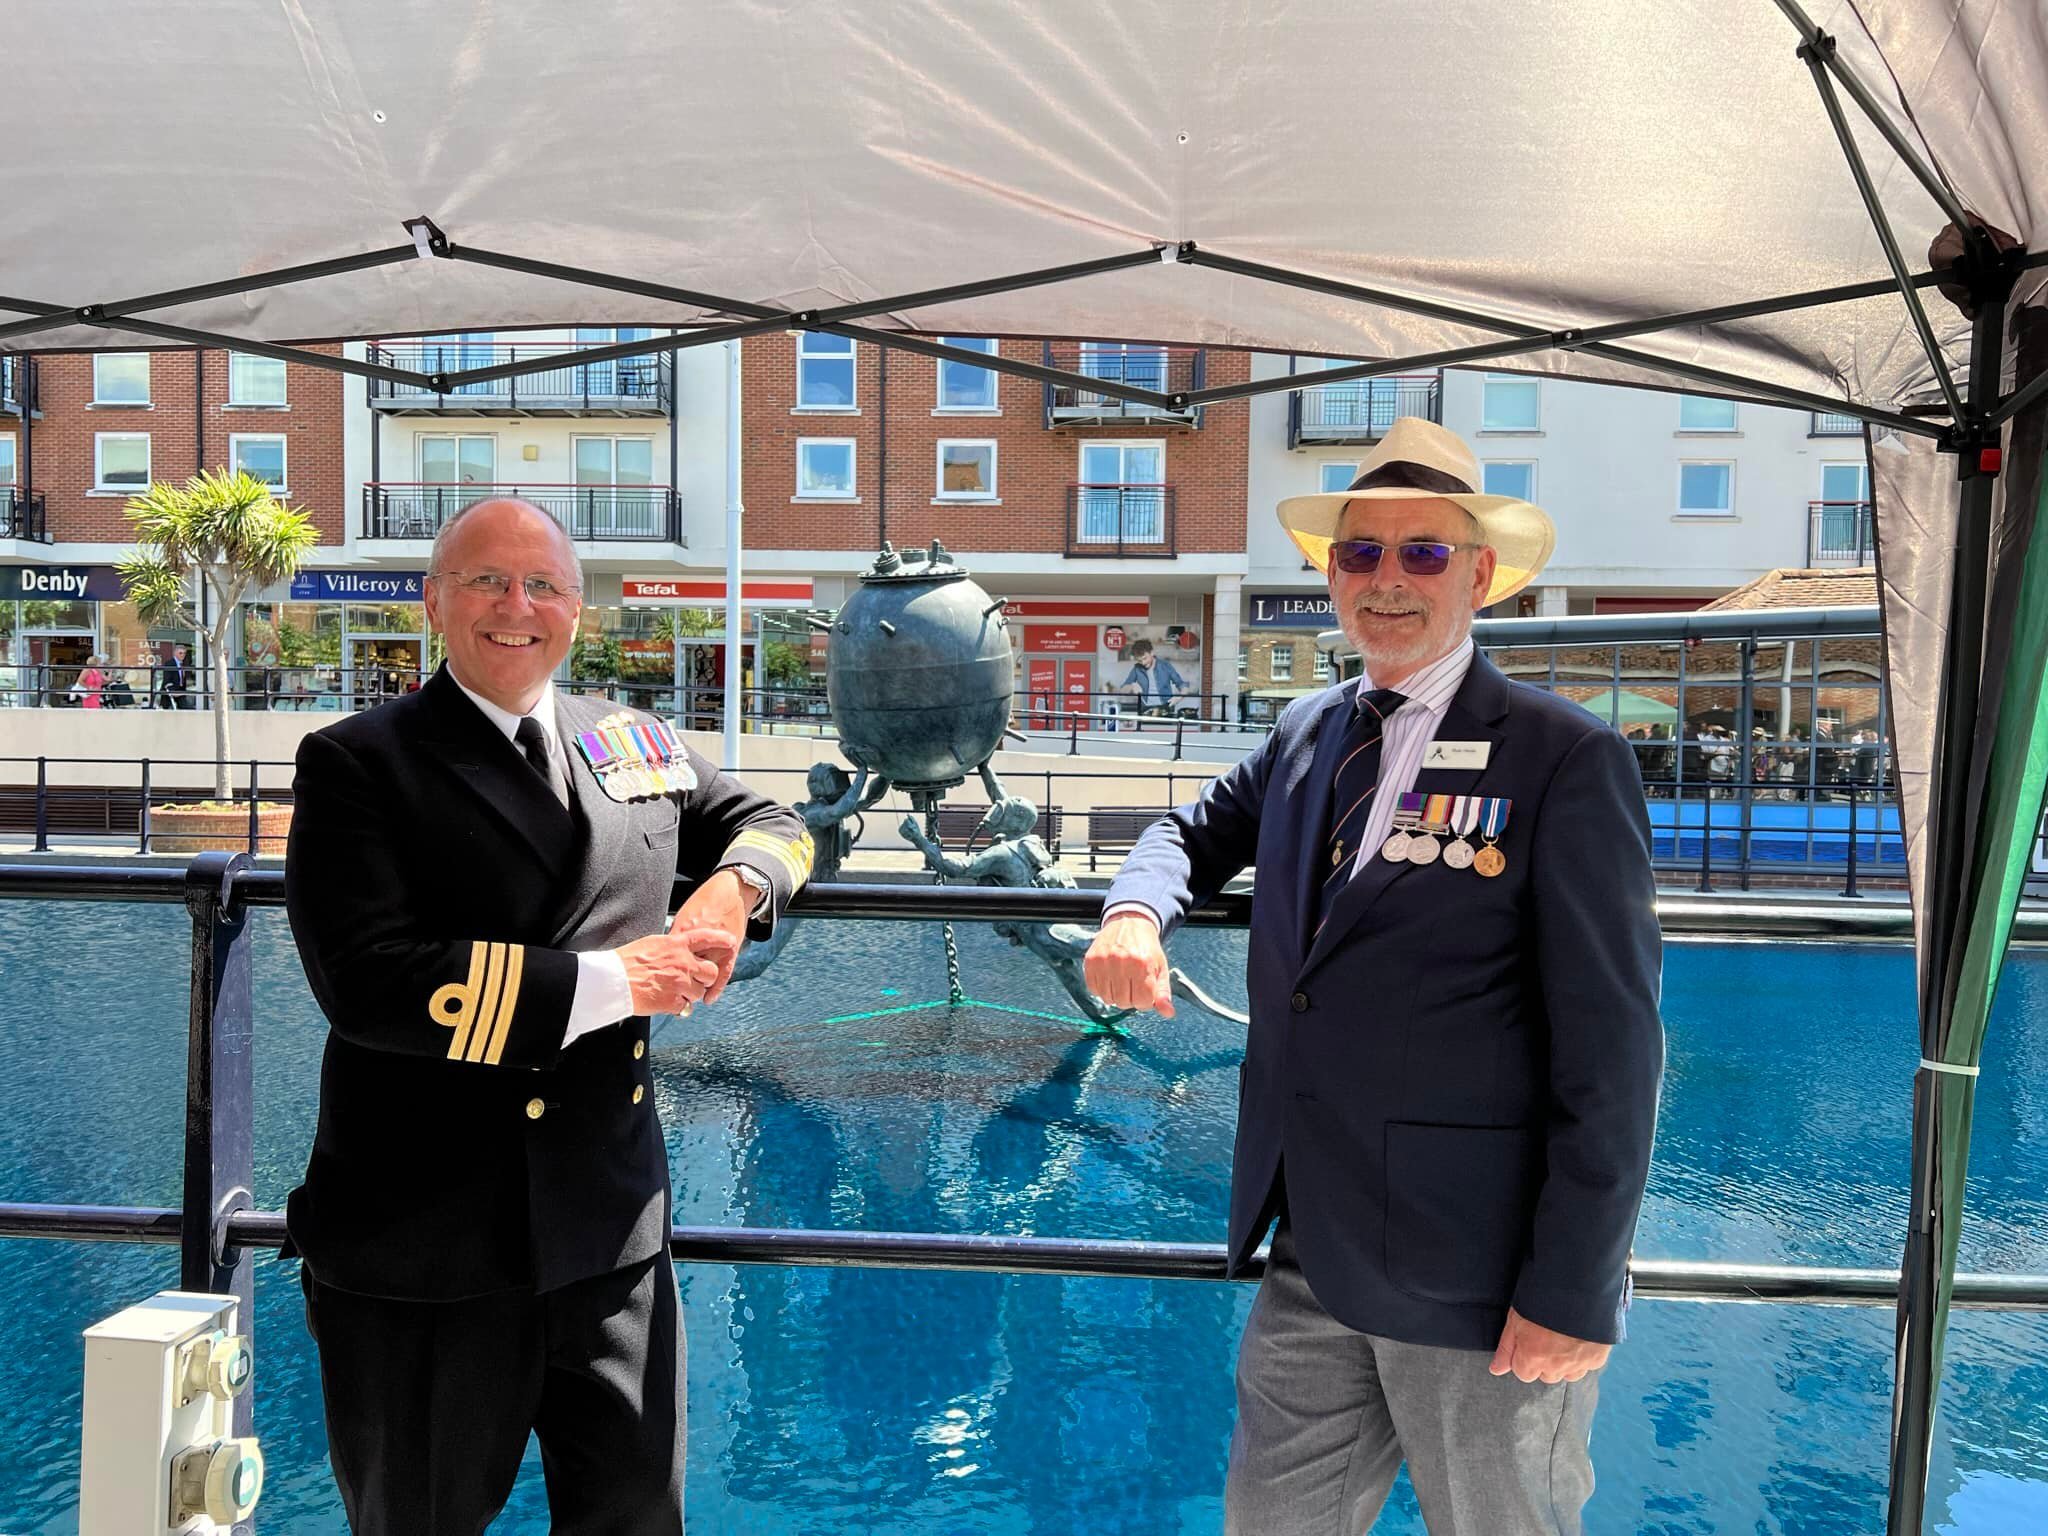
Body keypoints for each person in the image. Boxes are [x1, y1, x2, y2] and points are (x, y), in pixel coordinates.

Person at [1084, 417, 1664, 1536]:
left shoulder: (1563, 757)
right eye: (1360, 553)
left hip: (1481, 1280)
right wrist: (1130, 914)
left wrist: (1573, 1287)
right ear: (1330, 574)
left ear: (1479, 575)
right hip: (1311, 1253)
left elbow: (1615, 1046)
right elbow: (1187, 832)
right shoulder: (1306, 731)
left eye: (1423, 552)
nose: (1387, 580)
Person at [282, 497, 814, 1535]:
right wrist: (623, 982)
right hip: (426, 1248)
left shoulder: (632, 740)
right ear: (434, 600)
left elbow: (772, 821)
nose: (517, 606)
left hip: (609, 1235)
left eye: (546, 586)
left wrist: (734, 887)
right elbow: (369, 984)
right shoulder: (360, 762)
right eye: (486, 580)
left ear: (579, 610)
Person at [1116, 636, 1191, 714]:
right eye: (1139, 660)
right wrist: (1131, 686)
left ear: (1152, 653)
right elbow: (1122, 690)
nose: (1143, 663)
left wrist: (1178, 698)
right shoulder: (1137, 668)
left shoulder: (1165, 666)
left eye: (1145, 658)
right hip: (1145, 708)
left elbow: (1182, 685)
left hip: (1165, 707)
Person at [160, 642, 192, 709]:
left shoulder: (183, 664)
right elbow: (167, 680)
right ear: (175, 653)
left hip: (181, 693)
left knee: (187, 709)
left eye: (184, 653)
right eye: (180, 653)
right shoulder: (169, 663)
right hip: (170, 694)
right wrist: (173, 692)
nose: (183, 655)